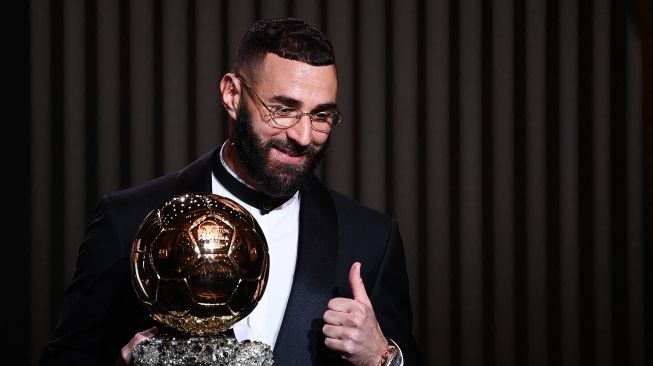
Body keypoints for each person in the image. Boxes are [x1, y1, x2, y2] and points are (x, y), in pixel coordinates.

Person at [41, 17, 418, 366]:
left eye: (321, 116)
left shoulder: (371, 238)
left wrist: (383, 357)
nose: (304, 137)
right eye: (283, 110)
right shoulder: (128, 220)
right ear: (232, 95)